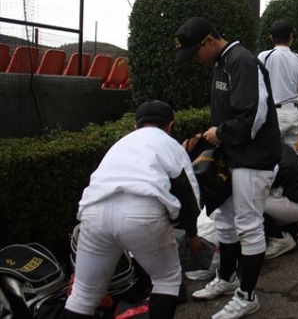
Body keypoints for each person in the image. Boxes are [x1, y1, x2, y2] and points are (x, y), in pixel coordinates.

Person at [175, 17, 281, 319]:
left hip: (254, 157)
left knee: (248, 225)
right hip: (233, 155)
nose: (196, 59)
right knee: (224, 219)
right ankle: (227, 277)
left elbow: (255, 113)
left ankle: (247, 296)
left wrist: (220, 133)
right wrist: (213, 135)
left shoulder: (241, 60)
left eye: (196, 52)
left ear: (209, 40)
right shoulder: (223, 62)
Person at [62, 100, 201, 319]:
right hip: (142, 211)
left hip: (93, 212)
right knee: (166, 279)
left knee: (82, 296)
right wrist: (193, 235)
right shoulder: (170, 144)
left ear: (136, 126)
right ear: (170, 126)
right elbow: (188, 193)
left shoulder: (120, 144)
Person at [258, 19, 298, 149]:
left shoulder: (264, 56)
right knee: (290, 155)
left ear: (271, 37)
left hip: (272, 112)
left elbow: (255, 84)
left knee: (270, 153)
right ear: (291, 35)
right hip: (293, 113)